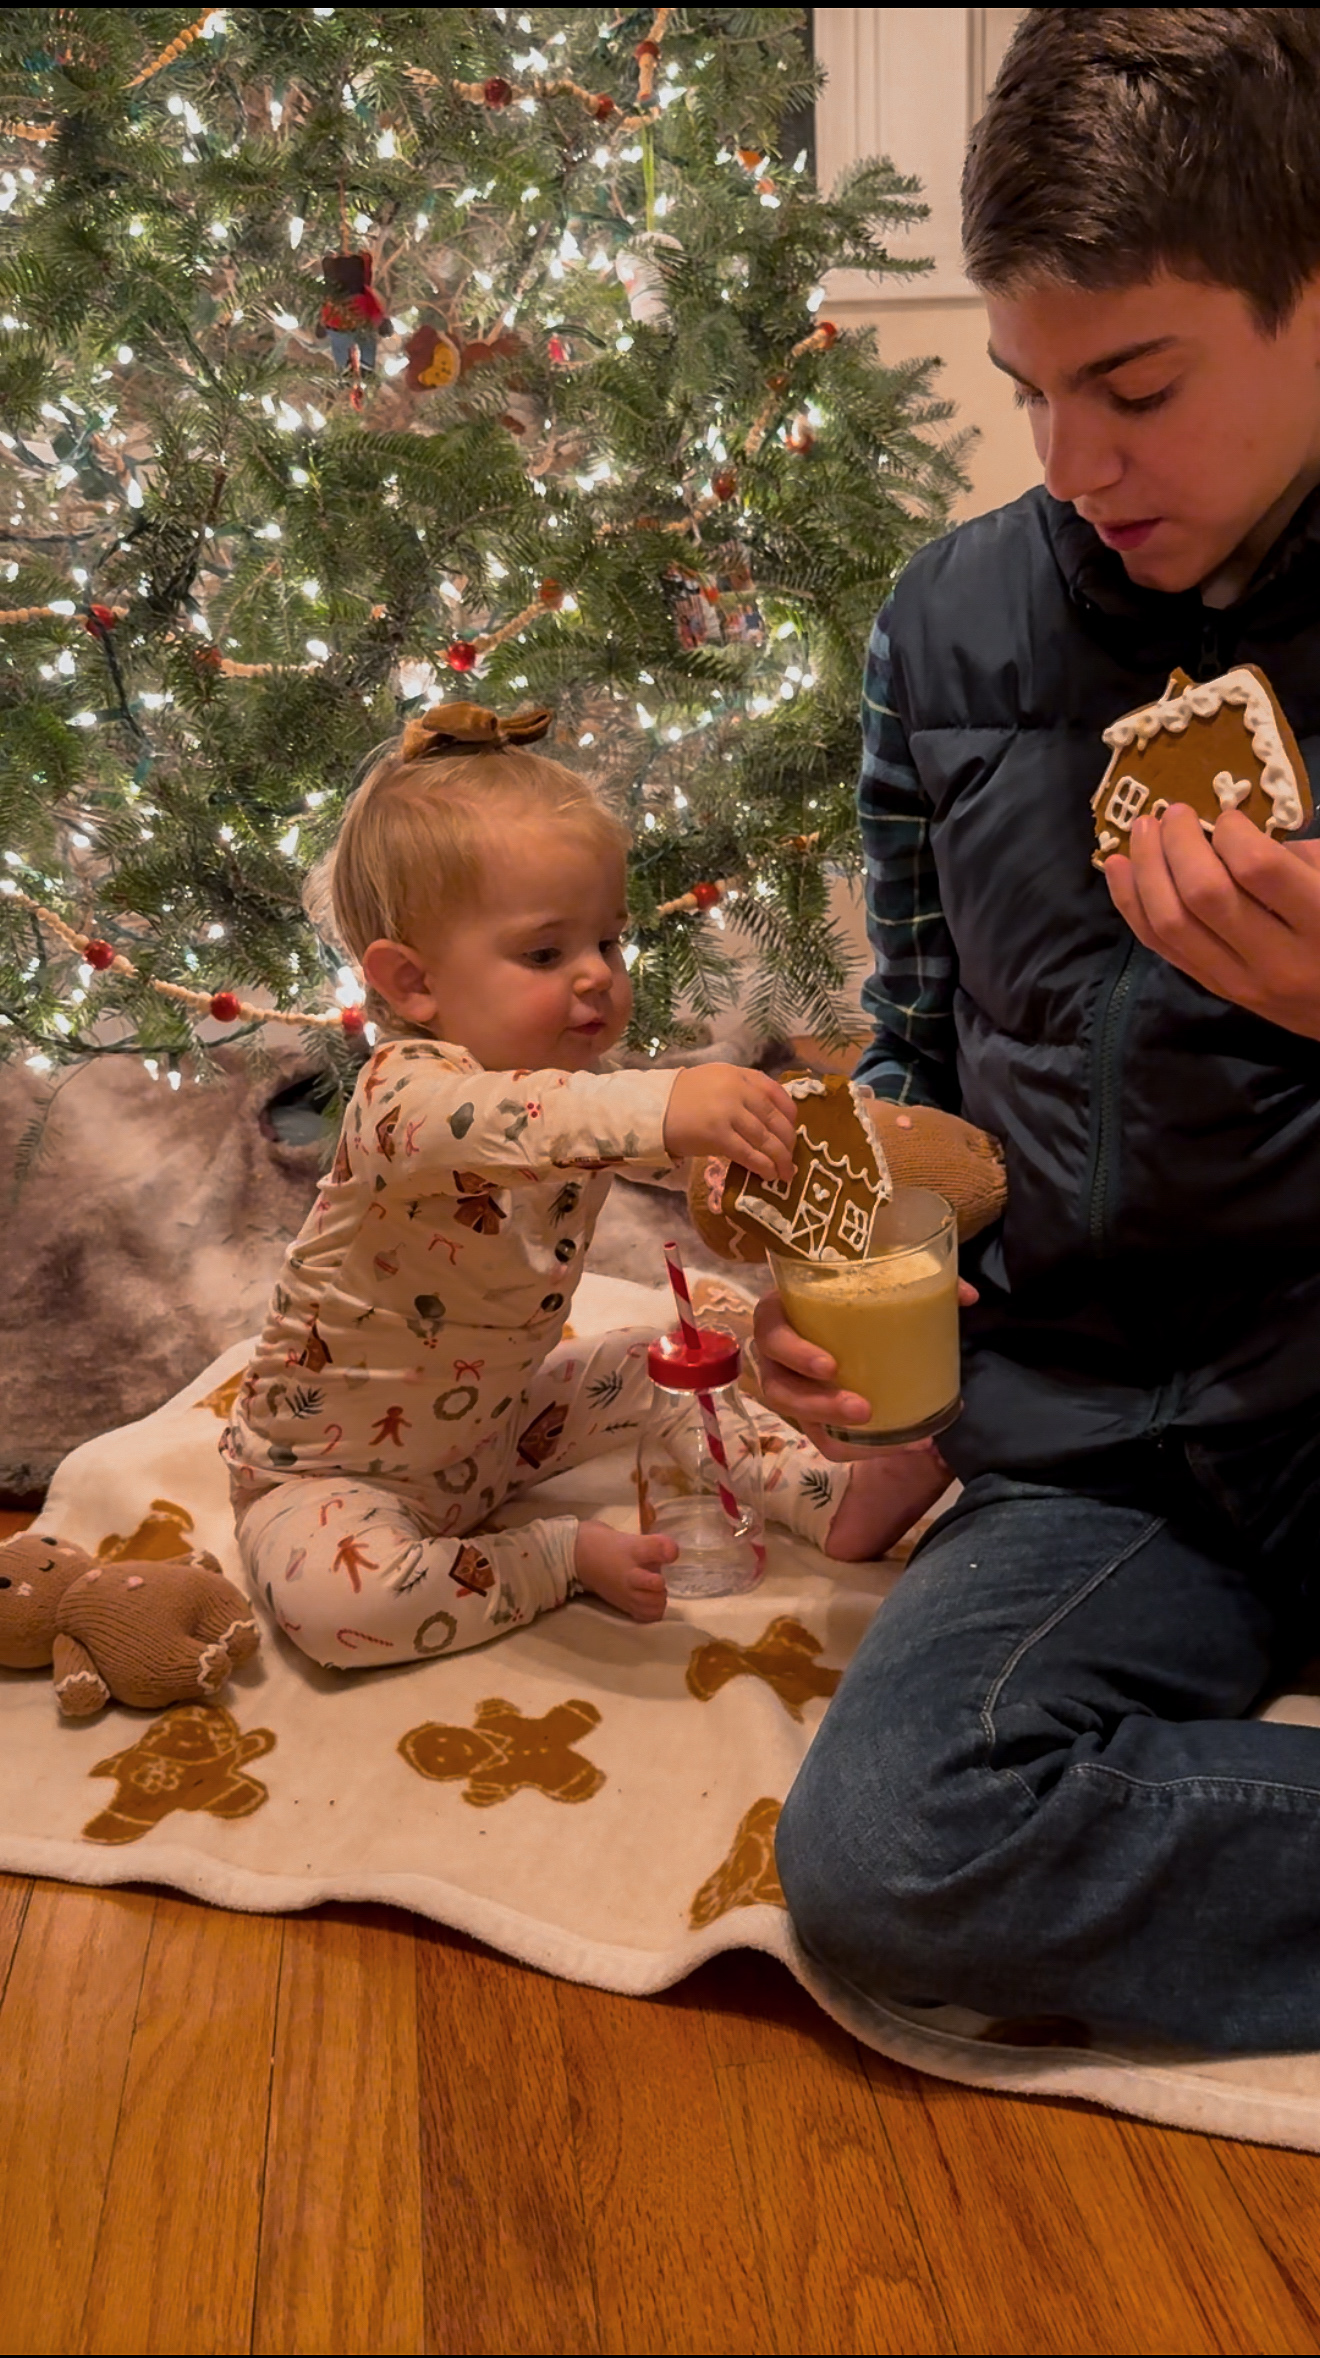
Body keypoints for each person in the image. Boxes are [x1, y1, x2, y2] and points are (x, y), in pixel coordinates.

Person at [761, 7, 1320, 2053]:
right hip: (1110, 1456)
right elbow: (917, 1048)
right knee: (895, 1854)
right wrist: (864, 1291)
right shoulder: (948, 627)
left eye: (1140, 387)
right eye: (1033, 390)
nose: (1076, 464)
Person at [222, 702, 928, 1668]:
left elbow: (669, 1157)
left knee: (667, 1354)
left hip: (498, 1433)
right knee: (334, 1604)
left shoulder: (587, 1098)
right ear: (413, 982)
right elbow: (529, 1124)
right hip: (333, 1475)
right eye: (548, 953)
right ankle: (550, 1558)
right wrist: (671, 1102)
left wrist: (775, 1157)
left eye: (610, 941)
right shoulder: (401, 1099)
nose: (598, 976)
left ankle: (829, 1499)